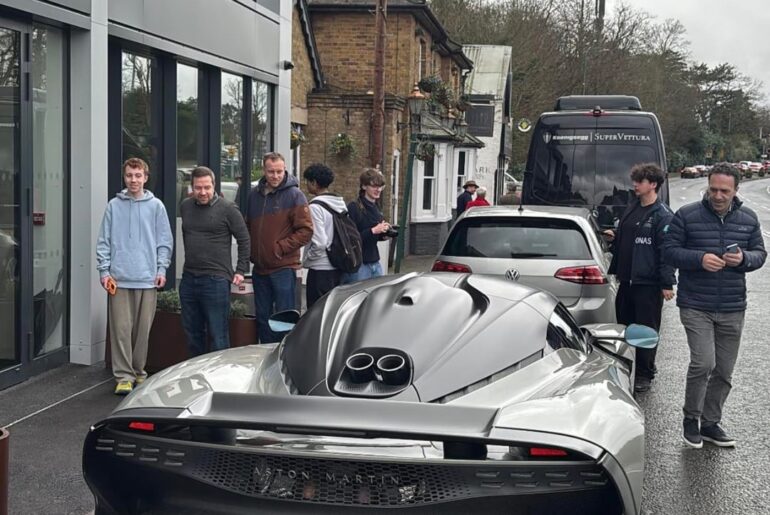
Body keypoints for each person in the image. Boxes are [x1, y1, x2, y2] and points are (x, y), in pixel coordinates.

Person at [664, 162, 766, 449]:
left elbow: (760, 253)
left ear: (736, 190)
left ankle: (710, 423)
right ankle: (690, 419)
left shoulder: (748, 218)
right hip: (696, 304)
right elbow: (669, 251)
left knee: (723, 369)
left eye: (724, 190)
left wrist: (744, 258)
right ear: (707, 187)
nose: (717, 195)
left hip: (733, 305)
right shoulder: (687, 215)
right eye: (713, 189)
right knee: (703, 363)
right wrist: (699, 259)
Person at [96, 157, 173, 395]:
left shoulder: (157, 206)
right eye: (129, 175)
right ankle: (123, 376)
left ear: (146, 177)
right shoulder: (113, 206)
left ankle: (139, 372)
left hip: (147, 278)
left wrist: (161, 269)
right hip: (118, 279)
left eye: (138, 175)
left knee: (142, 332)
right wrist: (104, 271)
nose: (133, 180)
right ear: (124, 177)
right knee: (120, 330)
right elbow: (103, 241)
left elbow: (164, 242)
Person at [604, 163, 676, 394]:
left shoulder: (662, 216)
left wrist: (667, 283)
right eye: (635, 180)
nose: (635, 184)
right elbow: (628, 237)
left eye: (640, 181)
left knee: (644, 331)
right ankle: (626, 367)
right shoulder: (632, 208)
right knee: (624, 327)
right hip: (627, 280)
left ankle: (645, 373)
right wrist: (615, 237)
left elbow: (667, 251)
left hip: (648, 283)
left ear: (653, 184)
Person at [179, 166, 250, 357]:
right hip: (189, 278)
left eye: (207, 187)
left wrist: (240, 270)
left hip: (216, 280)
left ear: (214, 185)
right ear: (191, 187)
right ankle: (196, 377)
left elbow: (244, 239)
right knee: (192, 333)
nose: (202, 192)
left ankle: (220, 378)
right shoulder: (185, 206)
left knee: (219, 335)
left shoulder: (228, 209)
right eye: (198, 188)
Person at [246, 152, 313, 343]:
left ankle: (284, 361)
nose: (275, 176)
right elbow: (248, 227)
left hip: (283, 268)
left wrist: (280, 248)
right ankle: (266, 361)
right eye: (271, 172)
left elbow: (306, 231)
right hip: (260, 269)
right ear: (263, 171)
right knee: (262, 319)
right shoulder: (254, 196)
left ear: (285, 170)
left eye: (279, 171)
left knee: (284, 320)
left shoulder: (295, 195)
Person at [302, 163, 348, 308]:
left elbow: (320, 242)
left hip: (320, 268)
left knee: (316, 312)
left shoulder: (315, 207)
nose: (307, 185)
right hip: (338, 264)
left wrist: (308, 259)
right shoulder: (340, 204)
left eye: (307, 181)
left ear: (314, 183)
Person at [343, 168, 392, 283]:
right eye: (374, 186)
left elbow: (373, 237)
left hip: (375, 262)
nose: (378, 189)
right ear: (364, 186)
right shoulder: (353, 207)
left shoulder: (376, 207)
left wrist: (384, 234)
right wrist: (373, 231)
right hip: (359, 264)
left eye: (380, 186)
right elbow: (350, 239)